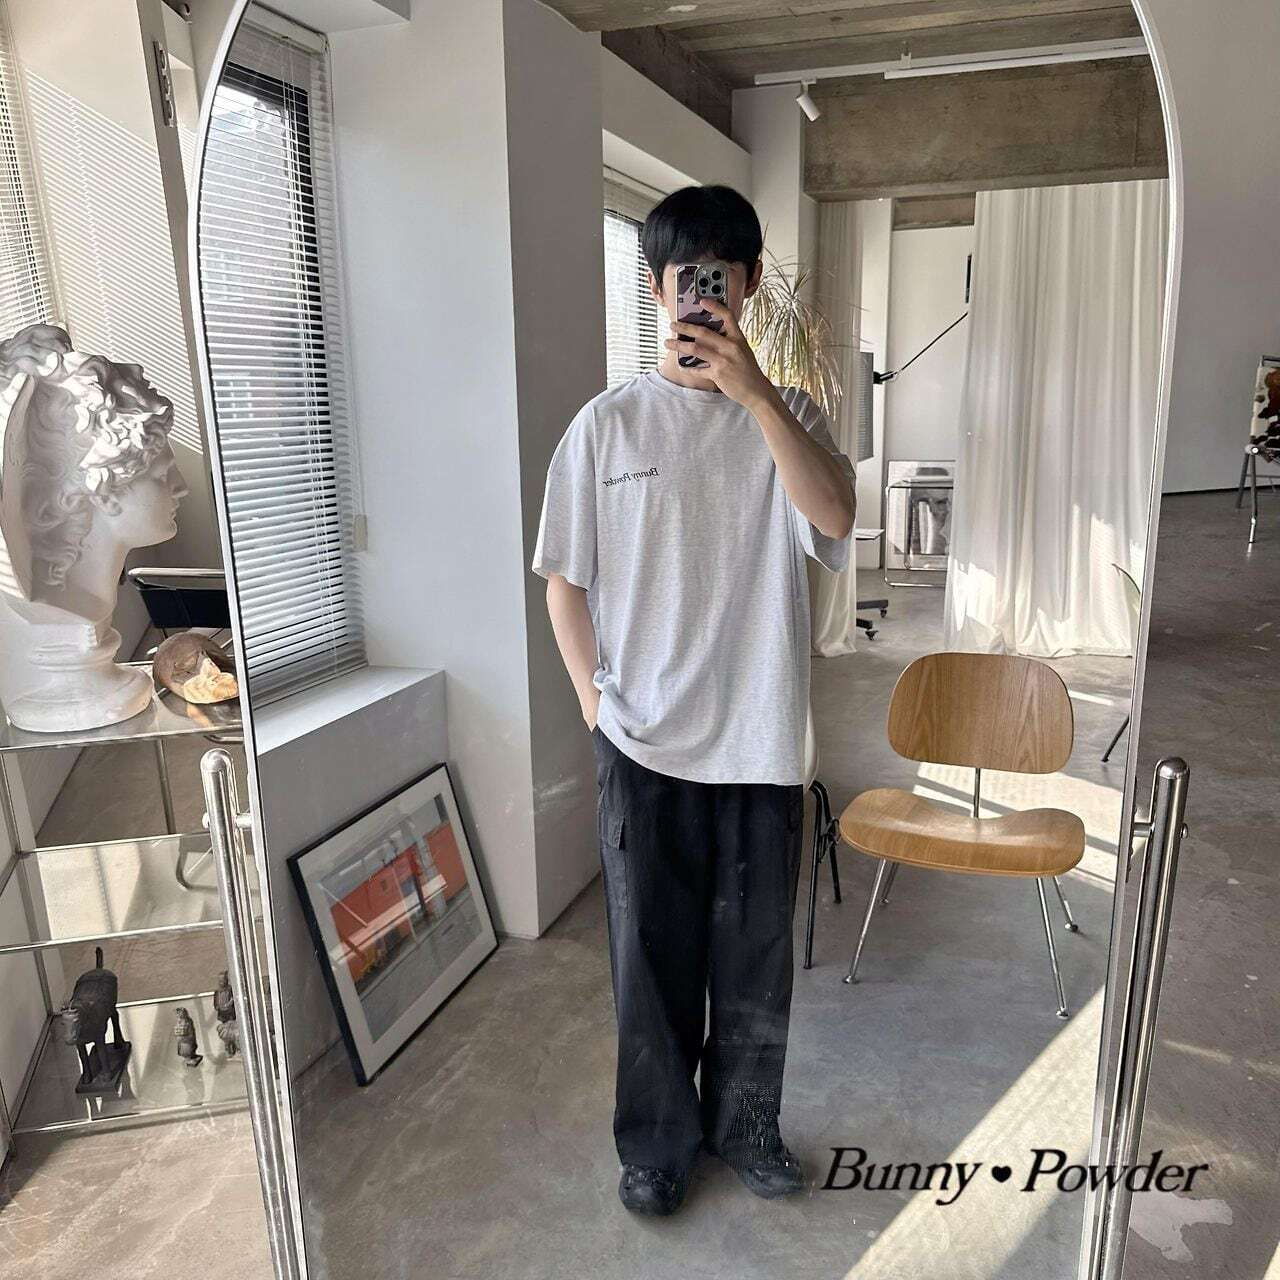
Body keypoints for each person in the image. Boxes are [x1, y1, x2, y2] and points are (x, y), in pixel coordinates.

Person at [530, 185, 856, 1216]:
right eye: (685, 276)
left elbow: (834, 518)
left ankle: (746, 1126)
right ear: (656, 286)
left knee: (754, 960)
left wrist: (757, 397)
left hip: (761, 739)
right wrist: (595, 710)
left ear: (747, 285)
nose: (702, 294)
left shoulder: (791, 418)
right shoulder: (605, 426)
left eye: (721, 275)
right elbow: (563, 582)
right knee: (650, 961)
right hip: (642, 742)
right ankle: (658, 1144)